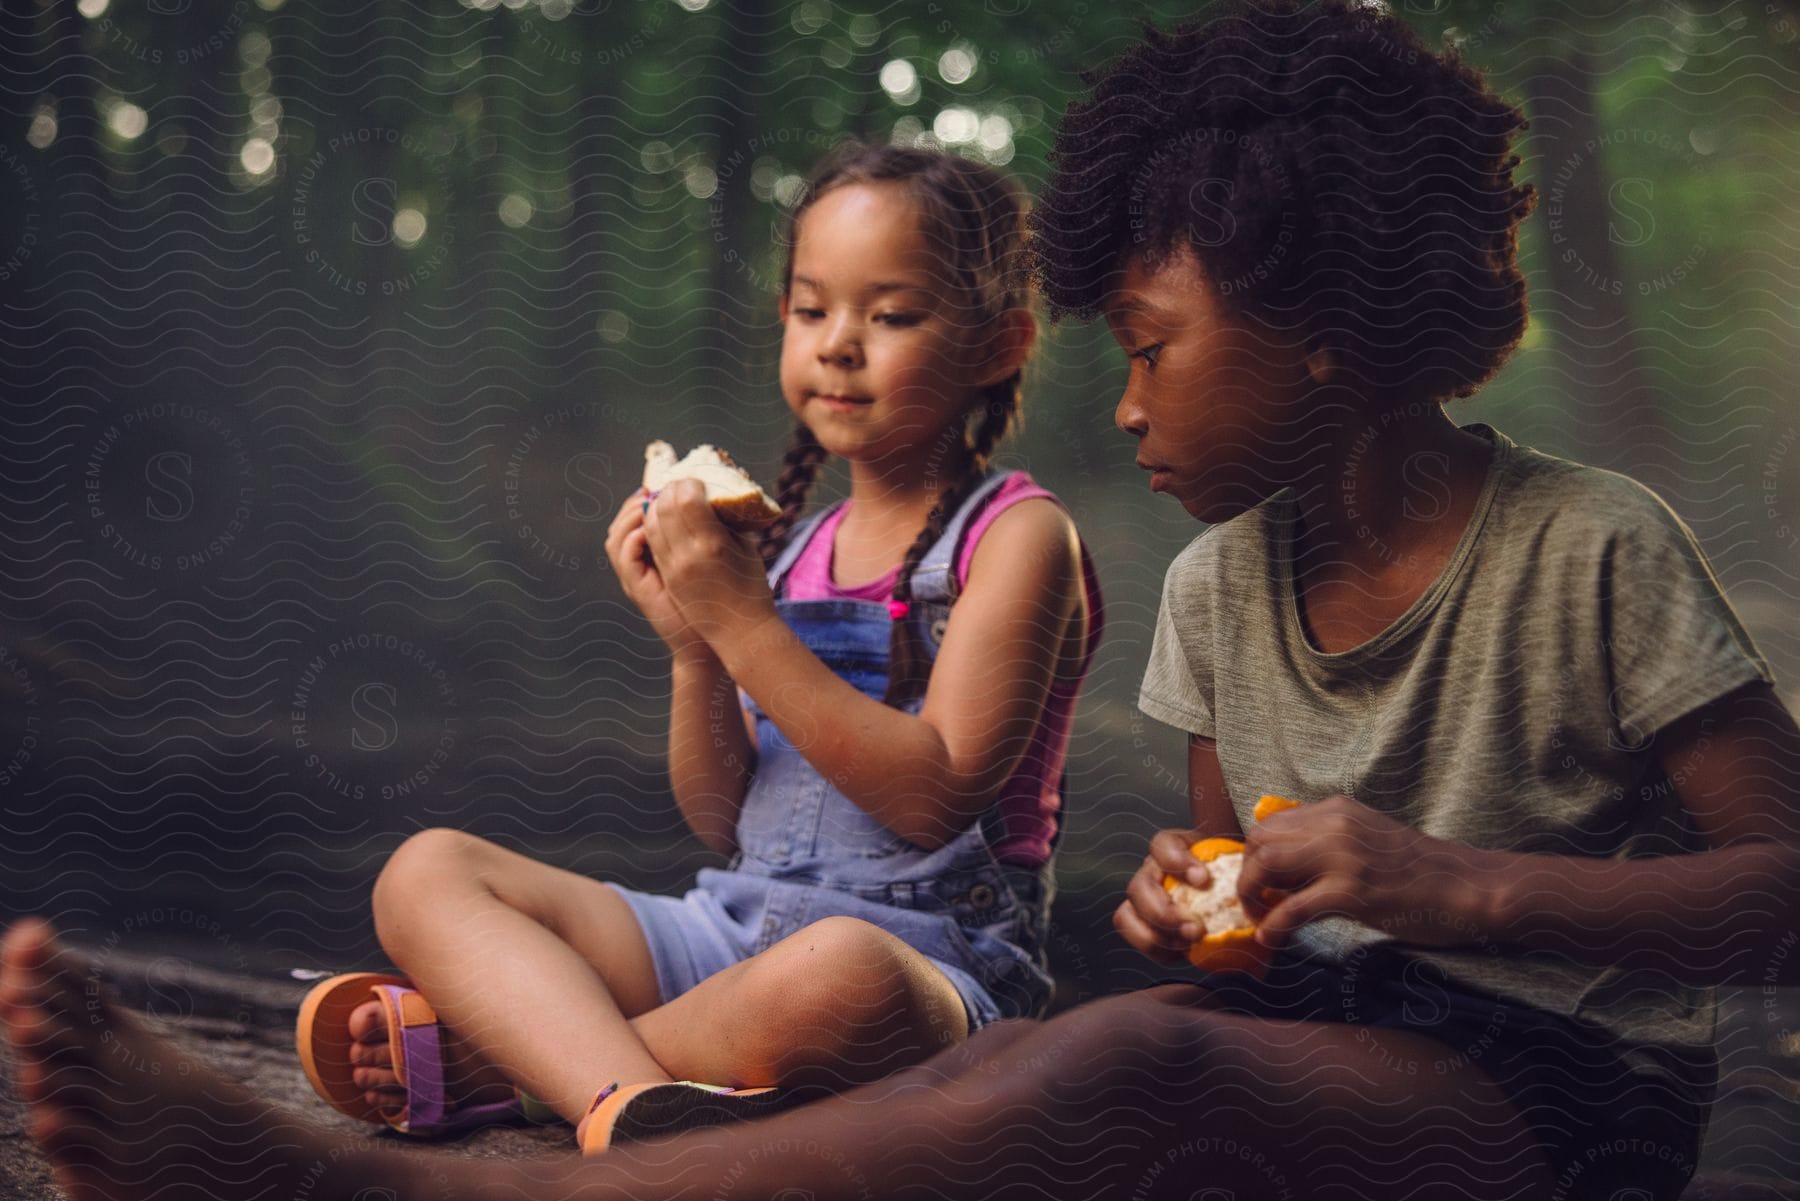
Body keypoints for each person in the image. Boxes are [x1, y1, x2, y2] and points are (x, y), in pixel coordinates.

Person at [6, 3, 1797, 1200]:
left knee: (1096, 1075)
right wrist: (1196, 911)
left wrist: (1453, 884)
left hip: (1553, 1093)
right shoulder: (1221, 593)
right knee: (1083, 1049)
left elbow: (1783, 890)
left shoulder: (1592, 546)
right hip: (1325, 1039)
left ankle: (401, 1177)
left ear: (1327, 327)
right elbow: (1221, 904)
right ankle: (580, 1112)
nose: (1127, 402)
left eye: (1156, 352)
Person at [293, 140, 1102, 1152]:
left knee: (836, 974)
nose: (840, 342)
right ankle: (635, 1095)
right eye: (812, 309)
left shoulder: (1021, 537)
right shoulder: (793, 543)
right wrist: (693, 646)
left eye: (890, 315)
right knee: (425, 869)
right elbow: (726, 822)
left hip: (928, 972)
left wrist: (740, 620)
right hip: (728, 934)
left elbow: (931, 794)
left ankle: (516, 1067)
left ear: (999, 343)